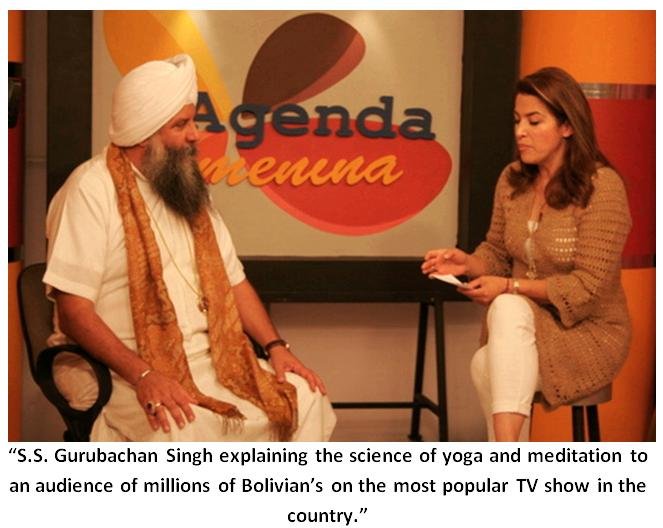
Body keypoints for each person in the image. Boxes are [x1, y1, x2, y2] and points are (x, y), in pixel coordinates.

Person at [44, 54, 336, 441]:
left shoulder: (185, 188)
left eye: (192, 122)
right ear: (143, 132)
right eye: (181, 125)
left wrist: (276, 346)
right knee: (181, 426)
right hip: (120, 367)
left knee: (307, 397)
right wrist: (144, 374)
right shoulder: (90, 190)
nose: (195, 134)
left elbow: (233, 282)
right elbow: (74, 314)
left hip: (209, 359)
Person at [421, 67, 631, 441]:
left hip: (588, 333)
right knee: (493, 344)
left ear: (567, 126)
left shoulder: (602, 187)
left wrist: (508, 286)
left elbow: (587, 289)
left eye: (534, 121)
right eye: (517, 120)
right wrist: (466, 263)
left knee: (491, 349)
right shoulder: (512, 179)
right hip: (522, 327)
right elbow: (497, 253)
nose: (520, 131)